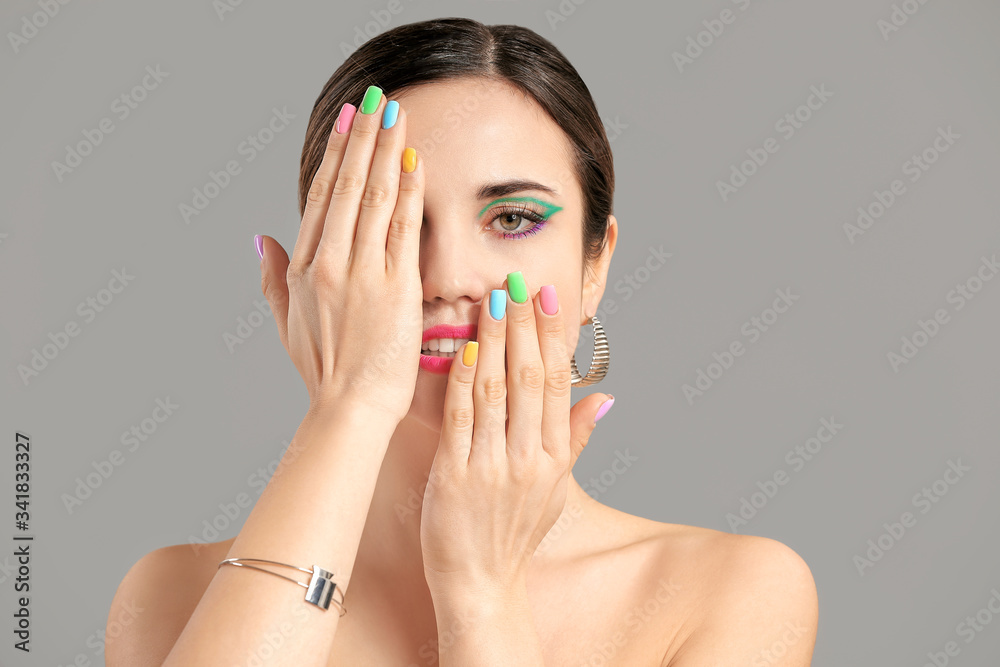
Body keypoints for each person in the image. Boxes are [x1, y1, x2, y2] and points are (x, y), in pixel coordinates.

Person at [106, 17, 817, 666]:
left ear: (595, 263)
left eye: (511, 219)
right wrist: (348, 404)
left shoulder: (733, 592)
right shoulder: (172, 597)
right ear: (317, 266)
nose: (446, 277)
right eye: (393, 225)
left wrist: (481, 593)